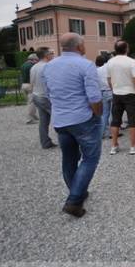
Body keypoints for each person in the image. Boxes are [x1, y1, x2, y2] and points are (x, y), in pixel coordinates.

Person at [41, 33, 103, 218]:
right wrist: (98, 114)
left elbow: (48, 92)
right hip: (83, 119)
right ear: (80, 46)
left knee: (68, 158)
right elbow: (94, 97)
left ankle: (77, 191)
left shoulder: (49, 66)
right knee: (90, 158)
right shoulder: (85, 65)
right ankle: (74, 200)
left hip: (60, 119)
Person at [106, 40, 135, 155]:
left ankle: (114, 145)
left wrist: (114, 90)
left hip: (117, 93)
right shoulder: (132, 62)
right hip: (130, 93)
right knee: (133, 120)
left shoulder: (110, 62)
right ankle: (133, 146)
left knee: (115, 120)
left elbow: (108, 79)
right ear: (126, 49)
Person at [30, 47, 56, 149]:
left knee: (43, 121)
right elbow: (51, 84)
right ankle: (66, 142)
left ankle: (45, 142)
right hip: (45, 97)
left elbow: (32, 82)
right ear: (46, 55)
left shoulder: (34, 67)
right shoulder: (48, 66)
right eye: (51, 53)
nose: (53, 55)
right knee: (59, 119)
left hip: (36, 95)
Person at [96, 55, 113, 138]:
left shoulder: (97, 70)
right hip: (111, 91)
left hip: (102, 92)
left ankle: (102, 133)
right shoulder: (110, 68)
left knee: (104, 114)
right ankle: (112, 133)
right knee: (113, 113)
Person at [20, 53, 39, 124]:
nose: (37, 61)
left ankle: (33, 115)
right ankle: (29, 119)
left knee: (29, 101)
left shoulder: (23, 65)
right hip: (30, 85)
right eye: (36, 60)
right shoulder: (32, 66)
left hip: (23, 85)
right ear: (33, 60)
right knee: (32, 103)